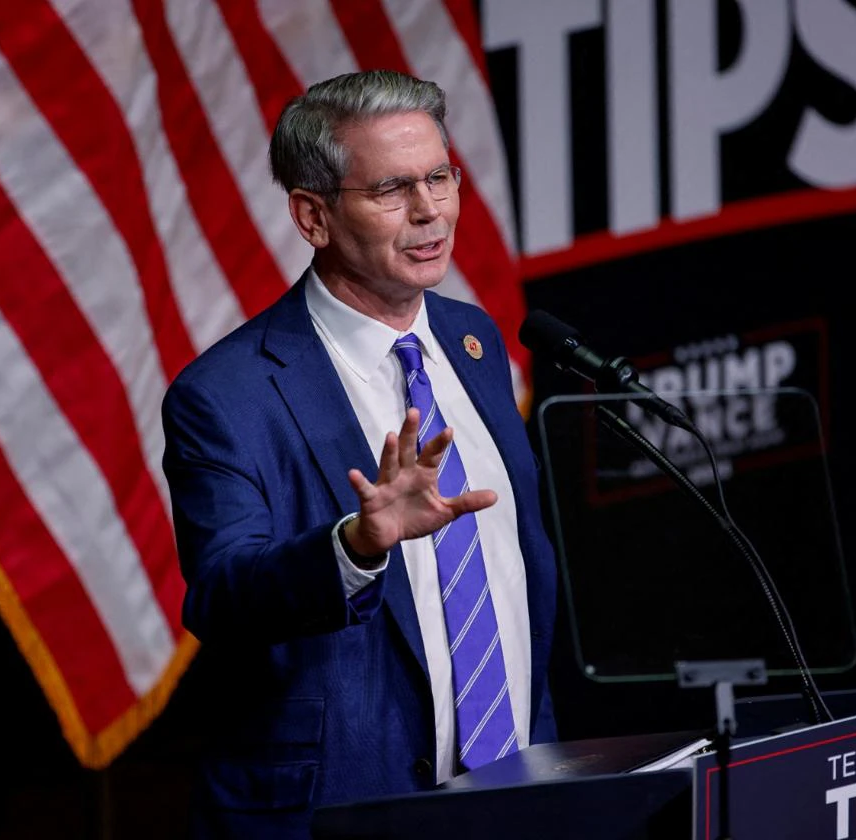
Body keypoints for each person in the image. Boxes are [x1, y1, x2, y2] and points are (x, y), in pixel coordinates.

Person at [161, 68, 559, 839]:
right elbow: (223, 593)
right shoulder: (228, 394)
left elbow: (514, 582)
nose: (429, 212)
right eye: (390, 191)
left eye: (440, 177)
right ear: (313, 217)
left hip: (516, 796)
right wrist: (354, 545)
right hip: (346, 806)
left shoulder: (472, 343)